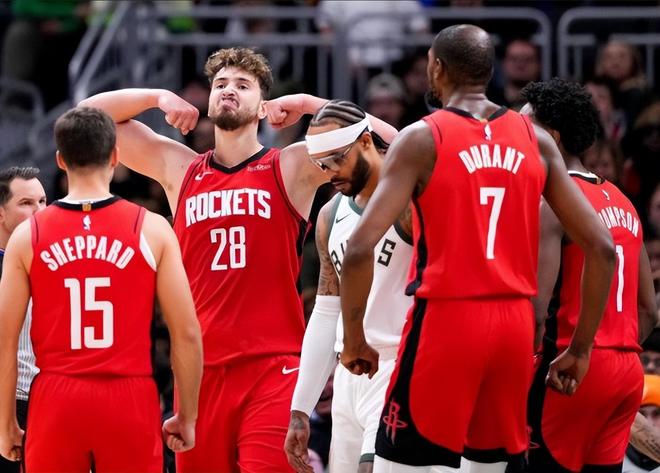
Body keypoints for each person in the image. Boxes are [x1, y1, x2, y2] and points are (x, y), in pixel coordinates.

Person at [79, 48, 397, 472]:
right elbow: (86, 119)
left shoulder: (289, 165)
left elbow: (388, 144)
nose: (229, 90)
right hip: (199, 372)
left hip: (274, 368)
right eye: (221, 84)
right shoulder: (180, 168)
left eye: (243, 85)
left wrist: (307, 104)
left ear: (263, 107)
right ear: (209, 101)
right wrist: (156, 97)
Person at [338, 24, 616, 473]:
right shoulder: (537, 139)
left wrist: (355, 341)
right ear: (489, 71)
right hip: (513, 327)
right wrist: (580, 349)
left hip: (446, 318)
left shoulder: (422, 137)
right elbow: (602, 247)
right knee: (487, 466)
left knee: (399, 464)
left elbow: (357, 250)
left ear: (437, 67)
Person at [0, 107, 203, 472]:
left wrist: (6, 425)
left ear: (61, 160)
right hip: (129, 395)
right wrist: (187, 416)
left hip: (55, 397)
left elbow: (6, 340)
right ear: (114, 157)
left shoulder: (27, 236)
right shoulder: (152, 228)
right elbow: (187, 333)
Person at [520, 78, 658, 472]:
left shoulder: (554, 202)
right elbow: (649, 311)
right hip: (626, 370)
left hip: (567, 366)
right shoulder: (624, 202)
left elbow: (536, 311)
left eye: (524, 128)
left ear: (552, 137)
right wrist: (610, 356)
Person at [283, 100, 413, 473]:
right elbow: (327, 313)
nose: (330, 172)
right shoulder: (330, 215)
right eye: (322, 165)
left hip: (399, 365)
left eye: (337, 159)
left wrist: (306, 103)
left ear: (366, 142)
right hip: (347, 378)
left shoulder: (411, 201)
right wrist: (300, 409)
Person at [0, 166, 46, 473]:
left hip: (46, 398)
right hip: (12, 400)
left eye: (43, 201)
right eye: (27, 203)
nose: (40, 211)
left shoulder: (53, 260)